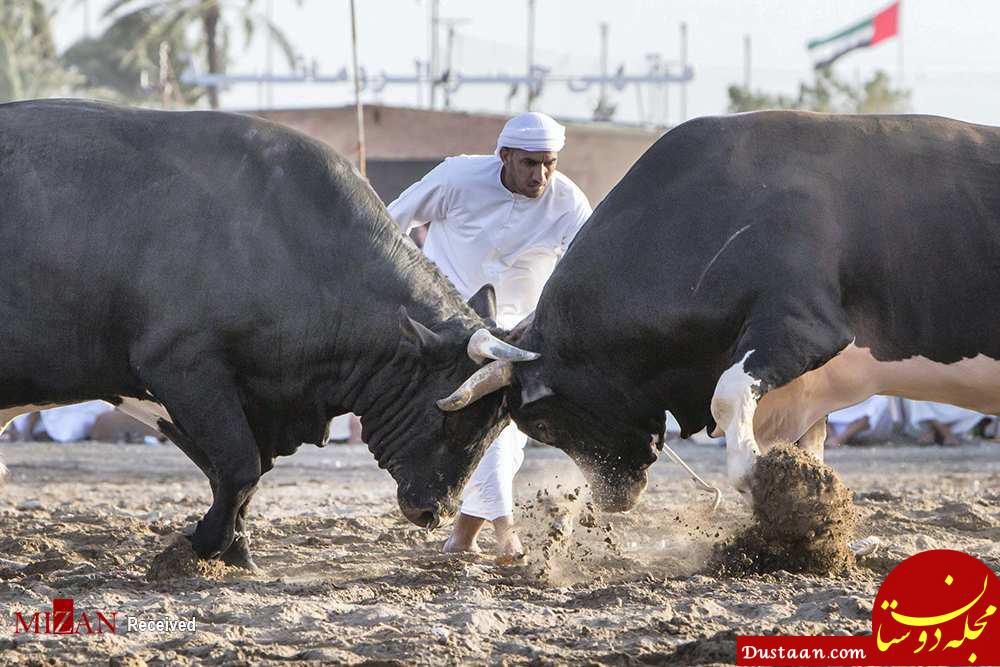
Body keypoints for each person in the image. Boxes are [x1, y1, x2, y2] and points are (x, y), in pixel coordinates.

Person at [387, 112, 592, 558]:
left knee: (501, 435)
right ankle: (504, 534)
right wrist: (408, 295)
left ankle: (464, 540)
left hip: (518, 336)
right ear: (505, 156)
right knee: (479, 428)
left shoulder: (570, 203)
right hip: (446, 331)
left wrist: (544, 324)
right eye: (529, 164)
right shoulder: (457, 177)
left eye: (549, 163)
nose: (541, 175)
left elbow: (584, 272)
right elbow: (390, 225)